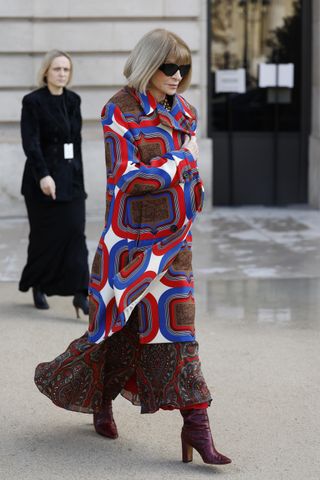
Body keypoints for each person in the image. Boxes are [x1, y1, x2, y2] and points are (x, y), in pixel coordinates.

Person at [34, 30, 231, 466]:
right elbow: (127, 178)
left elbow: (189, 182)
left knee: (180, 333)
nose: (178, 76)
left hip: (174, 245)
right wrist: (183, 159)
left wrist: (192, 187)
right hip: (129, 247)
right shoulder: (117, 111)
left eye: (184, 67)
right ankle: (101, 403)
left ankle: (196, 427)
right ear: (148, 65)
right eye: (169, 67)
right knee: (115, 337)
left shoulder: (186, 112)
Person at [19, 49, 89, 316]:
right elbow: (31, 143)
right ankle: (38, 284)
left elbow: (77, 143)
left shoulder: (74, 100)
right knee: (43, 238)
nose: (62, 74)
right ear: (46, 71)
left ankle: (81, 293)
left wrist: (80, 182)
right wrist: (43, 176)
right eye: (57, 69)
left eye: (66, 70)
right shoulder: (33, 102)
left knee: (75, 234)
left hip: (70, 180)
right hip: (42, 182)